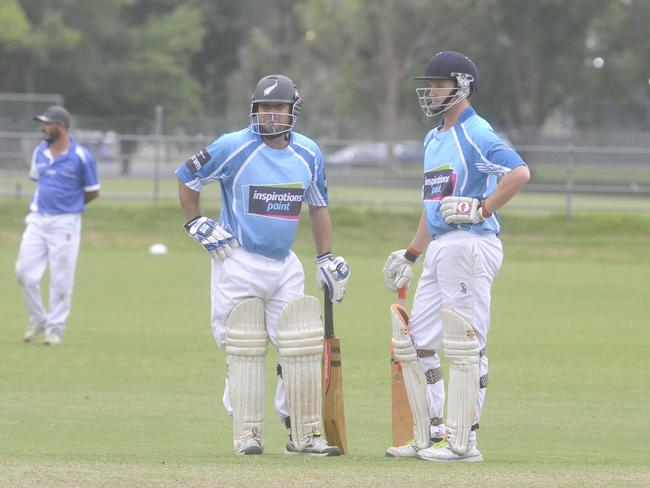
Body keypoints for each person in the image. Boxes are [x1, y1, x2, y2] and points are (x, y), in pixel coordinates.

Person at [175, 74, 350, 456]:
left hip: (284, 263)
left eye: (278, 108)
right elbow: (187, 176)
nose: (271, 116)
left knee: (301, 344)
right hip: (236, 258)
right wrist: (195, 221)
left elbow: (318, 206)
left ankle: (302, 432)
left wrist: (326, 257)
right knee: (243, 347)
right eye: (264, 108)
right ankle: (248, 432)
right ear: (255, 110)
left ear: (293, 110)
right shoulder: (233, 145)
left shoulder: (308, 153)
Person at [383, 51, 530, 462]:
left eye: (438, 84)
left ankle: (464, 441)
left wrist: (482, 207)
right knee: (416, 342)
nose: (430, 92)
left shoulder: (476, 131)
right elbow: (433, 206)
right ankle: (430, 432)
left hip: (471, 243)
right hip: (441, 246)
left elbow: (519, 173)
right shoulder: (433, 138)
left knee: (465, 344)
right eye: (428, 85)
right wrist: (411, 253)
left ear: (461, 86)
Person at [16, 105, 100, 346]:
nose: (42, 128)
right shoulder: (39, 152)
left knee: (61, 278)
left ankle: (55, 329)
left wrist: (71, 205)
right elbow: (39, 181)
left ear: (60, 127)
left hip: (65, 223)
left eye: (46, 123)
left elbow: (93, 192)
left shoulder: (82, 156)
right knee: (24, 272)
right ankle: (39, 318)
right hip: (37, 218)